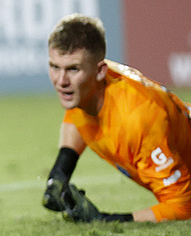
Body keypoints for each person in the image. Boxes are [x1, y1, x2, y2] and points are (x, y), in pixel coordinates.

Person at [42, 14, 191, 223]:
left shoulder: (139, 119)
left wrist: (105, 219)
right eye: (54, 67)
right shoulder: (85, 88)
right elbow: (78, 113)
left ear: (101, 70)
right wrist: (59, 174)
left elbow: (184, 206)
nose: (61, 80)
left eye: (72, 69)